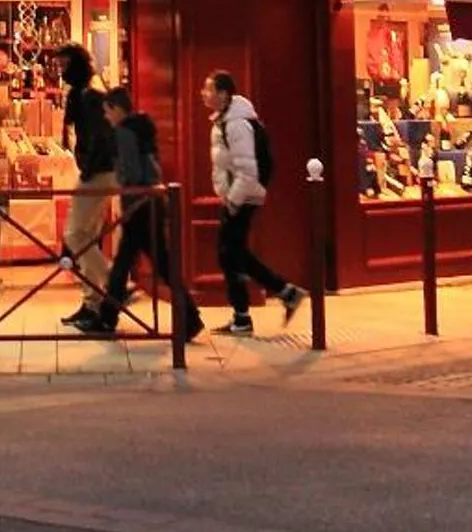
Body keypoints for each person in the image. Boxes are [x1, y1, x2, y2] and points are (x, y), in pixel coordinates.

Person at [70, 88, 204, 341]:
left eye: (108, 111)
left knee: (145, 265)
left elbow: (130, 171)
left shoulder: (123, 133)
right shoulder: (143, 127)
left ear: (117, 109)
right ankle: (110, 316)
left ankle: (111, 318)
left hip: (140, 204)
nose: (106, 117)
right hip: (151, 202)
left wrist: (124, 188)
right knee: (130, 264)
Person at [203, 71, 303, 334]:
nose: (204, 94)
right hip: (238, 196)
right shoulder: (226, 121)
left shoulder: (236, 124)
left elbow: (248, 169)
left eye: (208, 89)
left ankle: (268, 302)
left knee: (229, 253)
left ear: (223, 94)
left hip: (243, 197)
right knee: (231, 254)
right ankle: (256, 308)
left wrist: (233, 200)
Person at [54, 45, 116, 327]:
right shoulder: (84, 93)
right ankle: (92, 303)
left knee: (75, 234)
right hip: (97, 170)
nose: (61, 71)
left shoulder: (89, 95)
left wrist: (89, 168)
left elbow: (101, 137)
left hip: (98, 173)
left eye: (65, 65)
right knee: (86, 237)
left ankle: (115, 283)